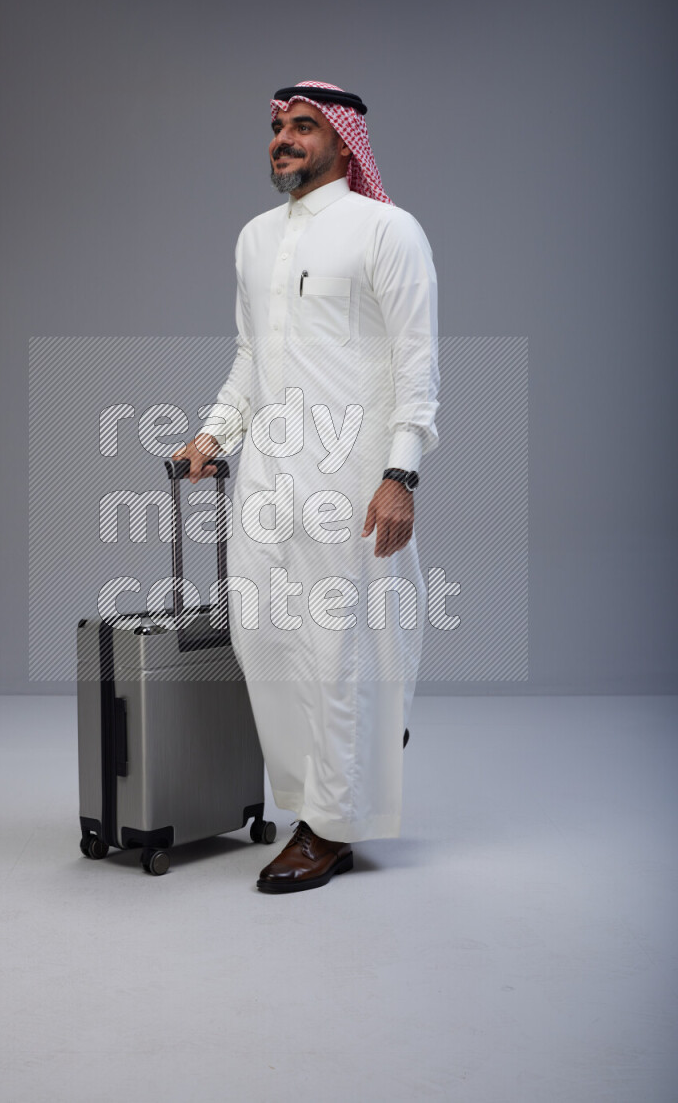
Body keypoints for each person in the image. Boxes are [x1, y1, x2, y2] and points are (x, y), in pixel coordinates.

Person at [172, 80, 440, 893]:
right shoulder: (255, 238)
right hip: (268, 473)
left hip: (351, 472)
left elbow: (416, 365)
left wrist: (401, 474)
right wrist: (216, 430)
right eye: (277, 128)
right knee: (266, 638)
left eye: (302, 127)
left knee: (338, 646)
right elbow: (251, 357)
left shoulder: (387, 230)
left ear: (343, 141)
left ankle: (331, 823)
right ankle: (329, 782)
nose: (282, 140)